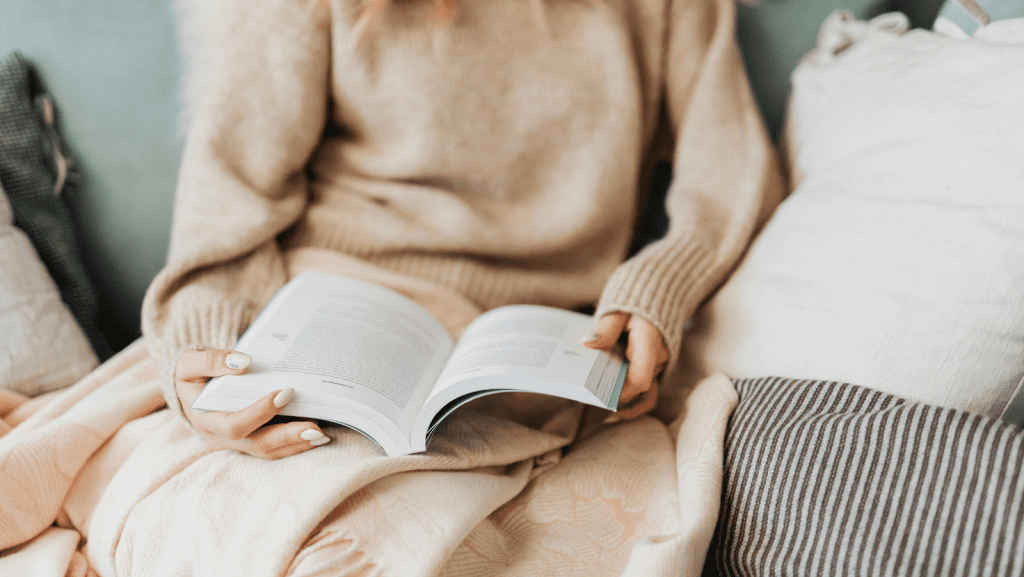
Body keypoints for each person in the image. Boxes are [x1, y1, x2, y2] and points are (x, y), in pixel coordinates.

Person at [141, 0, 782, 460]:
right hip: (325, 309)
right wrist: (204, 350)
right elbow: (227, 198)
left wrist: (659, 287)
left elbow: (731, 173)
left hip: (531, 345)